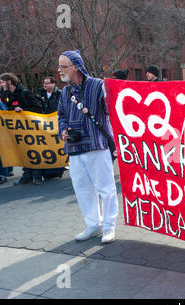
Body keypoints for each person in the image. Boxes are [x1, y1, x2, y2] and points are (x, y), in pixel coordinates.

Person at [57, 50, 119, 244]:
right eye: (59, 66)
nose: (59, 70)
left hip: (96, 145)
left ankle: (109, 227)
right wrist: (63, 131)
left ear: (75, 67)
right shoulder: (65, 92)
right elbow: (61, 115)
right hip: (75, 148)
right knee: (82, 188)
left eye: (63, 66)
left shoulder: (98, 86)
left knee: (105, 188)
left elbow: (111, 110)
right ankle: (93, 224)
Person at [0, 73, 44, 185]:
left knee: (33, 151)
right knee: (24, 152)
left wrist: (23, 109)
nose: (1, 85)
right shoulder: (7, 94)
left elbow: (38, 108)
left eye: (2, 82)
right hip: (19, 131)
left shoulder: (25, 93)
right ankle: (27, 175)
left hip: (31, 129)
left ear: (9, 82)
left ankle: (37, 176)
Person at [38, 76, 65, 180]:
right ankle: (49, 171)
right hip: (45, 124)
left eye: (47, 83)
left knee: (58, 145)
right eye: (44, 83)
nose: (44, 85)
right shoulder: (41, 94)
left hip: (56, 123)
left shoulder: (60, 94)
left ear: (53, 84)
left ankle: (58, 170)